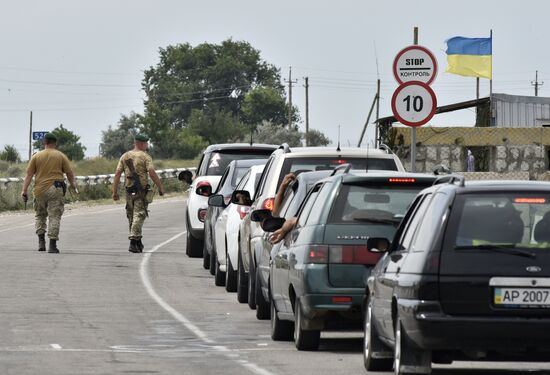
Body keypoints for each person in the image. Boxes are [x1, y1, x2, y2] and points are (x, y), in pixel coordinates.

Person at [21, 132, 77, 253]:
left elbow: (29, 175)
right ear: (55, 143)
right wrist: (73, 186)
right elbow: (69, 173)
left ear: (44, 143)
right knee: (54, 215)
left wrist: (24, 191)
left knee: (40, 215)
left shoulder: (36, 156)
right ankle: (52, 245)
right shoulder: (61, 156)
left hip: (39, 190)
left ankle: (41, 242)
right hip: (55, 189)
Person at [111, 134, 165, 253]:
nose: (147, 145)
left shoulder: (125, 156)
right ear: (140, 143)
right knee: (139, 215)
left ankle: (137, 242)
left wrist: (114, 191)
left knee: (131, 216)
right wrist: (160, 187)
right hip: (141, 191)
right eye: (146, 143)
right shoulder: (145, 157)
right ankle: (133, 242)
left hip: (129, 190)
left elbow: (117, 174)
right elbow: (151, 172)